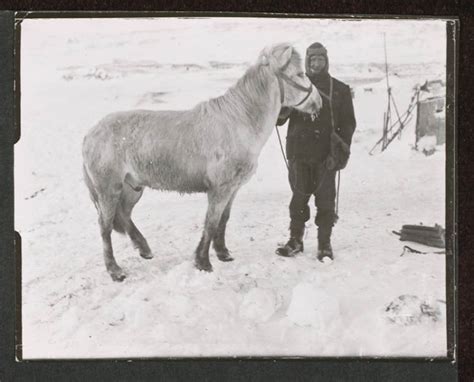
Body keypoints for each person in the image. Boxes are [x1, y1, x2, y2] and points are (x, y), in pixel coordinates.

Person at [275, 42, 356, 261]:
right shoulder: (297, 88)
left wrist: (341, 147)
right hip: (299, 153)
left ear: (326, 61)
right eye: (313, 60)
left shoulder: (339, 89)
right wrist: (284, 106)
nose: (317, 63)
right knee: (298, 199)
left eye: (320, 59)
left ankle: (324, 244)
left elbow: (348, 123)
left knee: (326, 200)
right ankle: (295, 240)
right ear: (308, 63)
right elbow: (279, 120)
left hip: (326, 156)